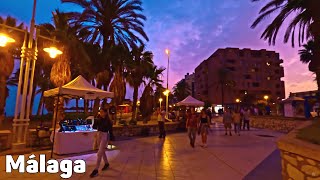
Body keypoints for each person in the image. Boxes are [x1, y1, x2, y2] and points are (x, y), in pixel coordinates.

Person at [90, 108, 112, 178]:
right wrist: (95, 121)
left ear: (105, 112)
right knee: (102, 151)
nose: (101, 113)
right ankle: (106, 163)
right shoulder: (98, 118)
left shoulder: (108, 121)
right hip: (98, 135)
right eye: (100, 111)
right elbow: (94, 127)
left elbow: (110, 131)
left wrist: (110, 140)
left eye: (102, 112)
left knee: (99, 153)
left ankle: (96, 169)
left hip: (104, 136)